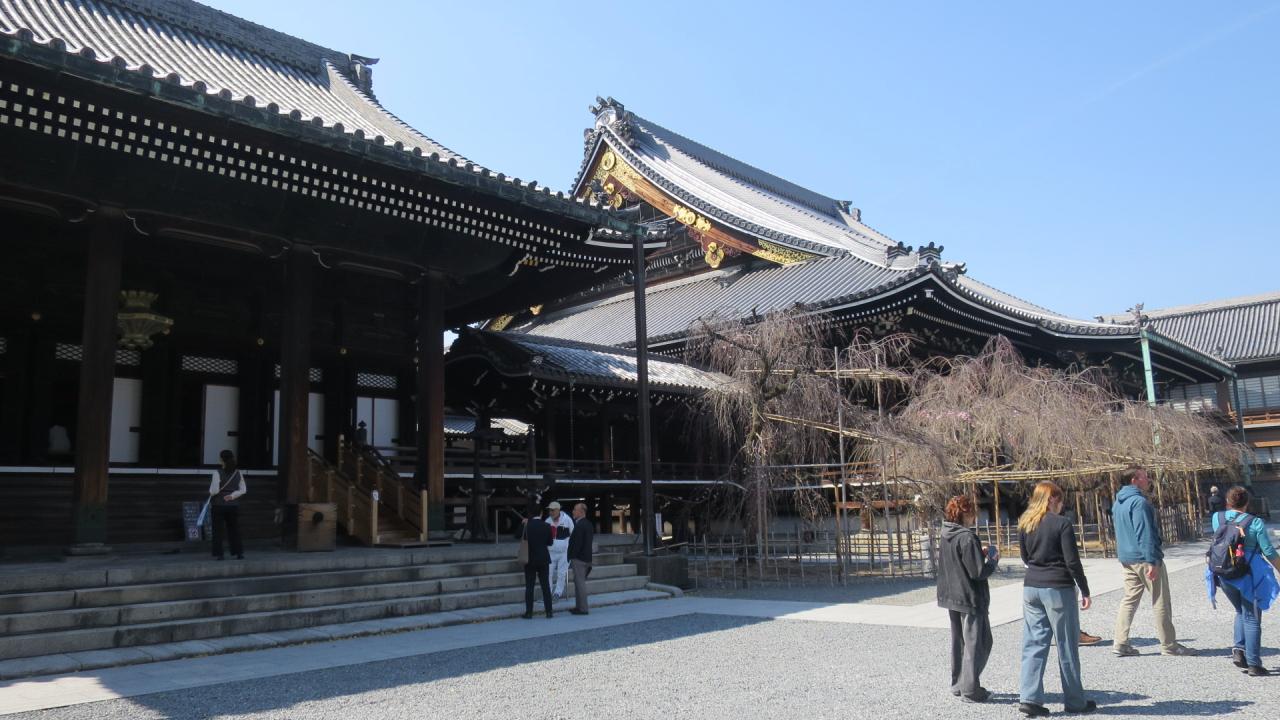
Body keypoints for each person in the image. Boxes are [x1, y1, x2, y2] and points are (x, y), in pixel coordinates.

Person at [1018, 481, 1096, 717]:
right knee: (1067, 646)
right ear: (1051, 498)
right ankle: (1075, 701)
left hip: (1031, 587)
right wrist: (1084, 589)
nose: (1062, 504)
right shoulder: (1062, 524)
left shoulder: (1025, 522)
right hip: (1058, 588)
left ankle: (1030, 698)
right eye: (1060, 498)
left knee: (1034, 644)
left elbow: (1025, 557)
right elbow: (1072, 561)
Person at [1111, 465, 1195, 657]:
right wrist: (1152, 560)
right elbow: (1145, 532)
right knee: (1160, 600)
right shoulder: (1139, 503)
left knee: (1129, 599)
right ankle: (1169, 644)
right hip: (1144, 557)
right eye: (1144, 477)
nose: (1148, 480)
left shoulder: (1118, 503)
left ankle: (1120, 642)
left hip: (1127, 557)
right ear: (1134, 480)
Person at [1207, 486, 1280, 676]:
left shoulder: (1217, 518)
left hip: (1223, 572)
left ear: (1227, 502)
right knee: (1252, 616)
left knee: (1240, 611)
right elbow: (1268, 551)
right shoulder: (1255, 522)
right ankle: (1254, 664)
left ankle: (1239, 650)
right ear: (1247, 503)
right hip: (1248, 574)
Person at [936, 495, 999, 703]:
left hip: (951, 595)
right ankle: (970, 690)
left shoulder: (946, 533)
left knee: (959, 643)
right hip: (969, 597)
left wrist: (977, 553)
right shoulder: (967, 537)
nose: (975, 518)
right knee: (979, 643)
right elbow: (977, 572)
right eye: (973, 513)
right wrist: (992, 561)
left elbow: (960, 560)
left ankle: (958, 684)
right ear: (966, 513)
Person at [209, 449, 247, 560]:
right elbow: (243, 489)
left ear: (222, 459)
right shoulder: (238, 473)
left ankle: (219, 554)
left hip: (218, 504)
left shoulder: (217, 473)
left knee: (218, 530)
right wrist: (232, 496)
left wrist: (210, 492)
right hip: (233, 505)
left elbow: (214, 490)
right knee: (234, 529)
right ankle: (238, 553)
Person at [521, 509, 555, 619]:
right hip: (543, 558)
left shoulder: (527, 525)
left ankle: (529, 612)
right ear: (541, 513)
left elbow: (518, 536)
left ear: (531, 514)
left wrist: (524, 524)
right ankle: (549, 611)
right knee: (545, 586)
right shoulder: (547, 526)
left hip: (530, 558)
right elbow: (550, 542)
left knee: (529, 586)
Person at [567, 502, 595, 615]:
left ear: (581, 512)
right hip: (587, 557)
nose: (573, 512)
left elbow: (577, 544)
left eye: (575, 509)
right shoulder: (588, 524)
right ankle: (579, 606)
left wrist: (571, 555)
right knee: (579, 583)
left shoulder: (579, 525)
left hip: (579, 558)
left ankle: (583, 608)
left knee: (580, 583)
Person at [545, 501, 574, 599]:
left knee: (561, 573)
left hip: (564, 552)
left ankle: (558, 593)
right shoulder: (547, 521)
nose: (551, 512)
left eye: (553, 510)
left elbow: (573, 534)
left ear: (558, 510)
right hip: (550, 552)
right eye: (550, 510)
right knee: (548, 573)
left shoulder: (567, 520)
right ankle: (548, 592)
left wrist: (570, 548)